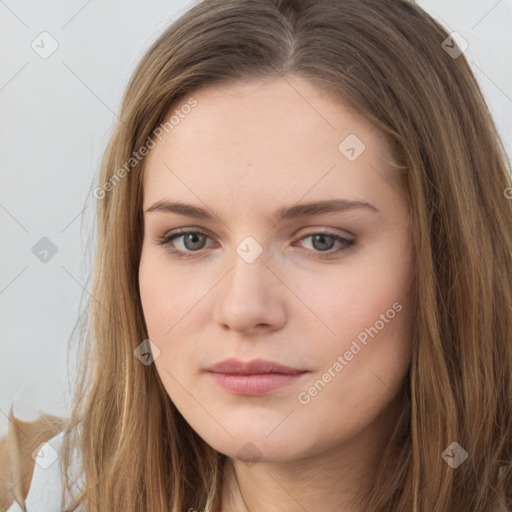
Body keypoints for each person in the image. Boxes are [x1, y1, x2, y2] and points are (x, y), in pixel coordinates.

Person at [4, 0, 511, 510]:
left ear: (446, 257)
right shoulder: (39, 489)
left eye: (322, 241)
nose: (243, 309)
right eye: (191, 239)